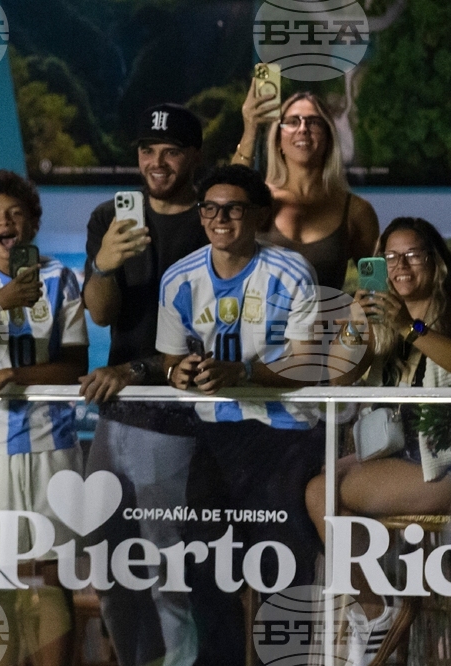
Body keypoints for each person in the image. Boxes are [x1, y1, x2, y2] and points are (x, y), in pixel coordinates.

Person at [157, 164, 327, 666]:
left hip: (285, 431)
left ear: (257, 215)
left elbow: (305, 362)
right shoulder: (179, 277)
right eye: (210, 207)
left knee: (283, 563)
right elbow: (169, 359)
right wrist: (179, 373)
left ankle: (287, 660)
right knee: (205, 563)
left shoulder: (291, 271)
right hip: (212, 433)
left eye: (233, 208)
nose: (220, 217)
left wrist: (243, 373)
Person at [77, 103, 208, 666]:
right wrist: (104, 263)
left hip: (178, 415)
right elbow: (102, 315)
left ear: (194, 156)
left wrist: (133, 372)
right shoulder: (111, 214)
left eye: (171, 151)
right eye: (148, 151)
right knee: (108, 561)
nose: (157, 162)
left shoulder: (213, 217)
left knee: (169, 570)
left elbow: (205, 337)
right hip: (118, 413)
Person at [0, 169, 88, 666]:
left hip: (54, 443)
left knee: (50, 575)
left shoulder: (62, 278)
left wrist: (10, 373)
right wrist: (1, 303)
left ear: (30, 223)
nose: (5, 221)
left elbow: (76, 366)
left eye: (14, 213)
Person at [305, 217, 451, 665]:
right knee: (323, 485)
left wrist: (412, 328)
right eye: (389, 257)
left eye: (412, 255)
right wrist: (355, 323)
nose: (400, 266)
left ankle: (376, 610)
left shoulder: (440, 314)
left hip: (441, 463)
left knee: (324, 491)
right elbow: (336, 376)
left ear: (436, 261)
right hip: (398, 454)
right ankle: (380, 605)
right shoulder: (381, 318)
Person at [233, 88, 379, 291]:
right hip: (258, 322)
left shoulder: (357, 211)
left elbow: (376, 286)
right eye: (292, 121)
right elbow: (228, 193)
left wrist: (355, 313)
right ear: (278, 140)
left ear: (328, 138)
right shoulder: (258, 199)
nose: (303, 129)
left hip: (326, 323)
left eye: (314, 122)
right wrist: (250, 128)